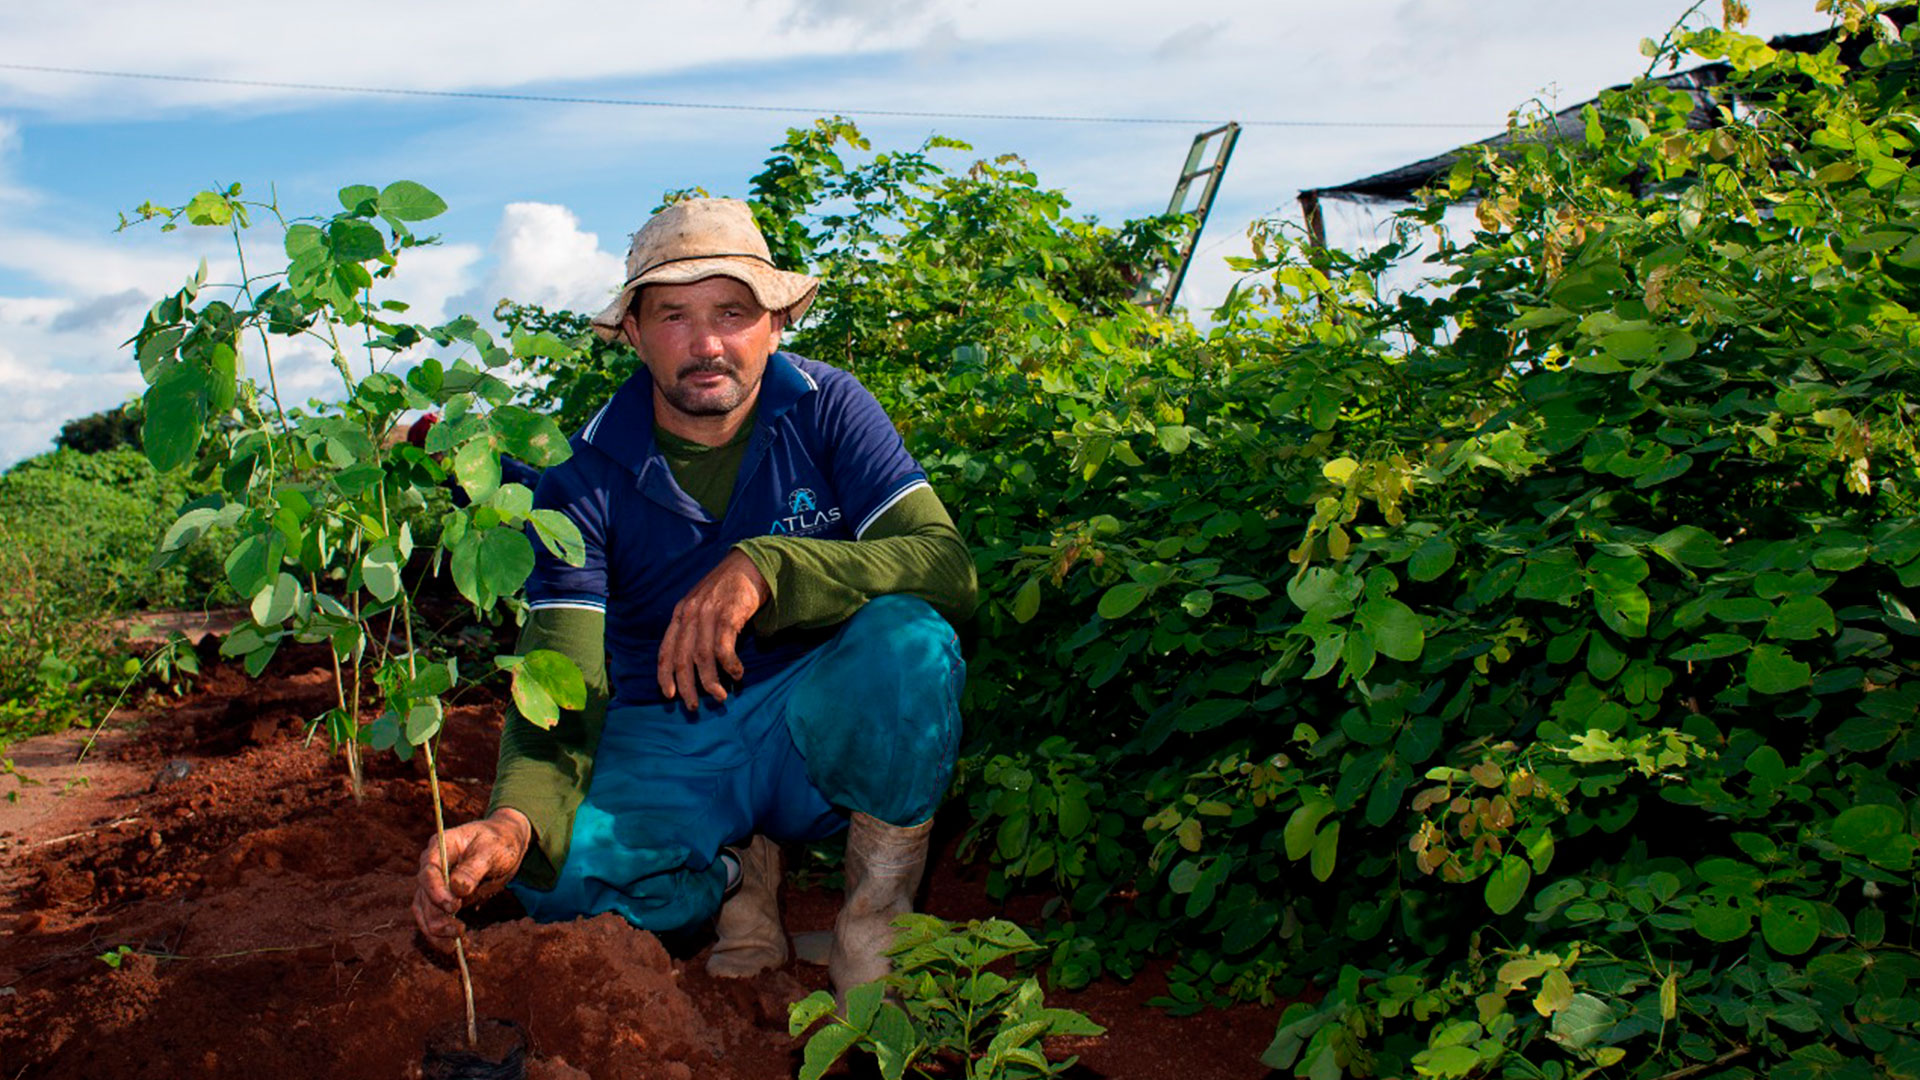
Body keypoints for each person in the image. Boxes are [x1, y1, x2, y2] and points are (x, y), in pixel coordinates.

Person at [409, 197, 976, 995]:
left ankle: (873, 927)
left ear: (775, 323)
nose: (707, 344)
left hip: (806, 718)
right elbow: (560, 679)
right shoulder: (583, 474)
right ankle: (732, 873)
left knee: (909, 645)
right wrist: (514, 821)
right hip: (670, 728)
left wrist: (772, 567)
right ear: (633, 333)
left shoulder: (830, 409)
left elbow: (947, 567)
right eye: (674, 315)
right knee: (550, 879)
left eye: (733, 312)